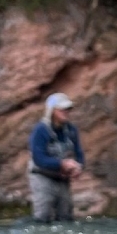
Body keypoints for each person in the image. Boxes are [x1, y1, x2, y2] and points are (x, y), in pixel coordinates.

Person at [28, 93, 84, 222]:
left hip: (62, 178)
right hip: (41, 176)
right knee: (43, 216)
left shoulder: (71, 130)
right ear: (52, 111)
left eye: (68, 109)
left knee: (66, 216)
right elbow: (39, 158)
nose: (66, 112)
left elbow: (79, 154)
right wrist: (62, 164)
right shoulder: (41, 130)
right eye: (62, 109)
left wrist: (78, 167)